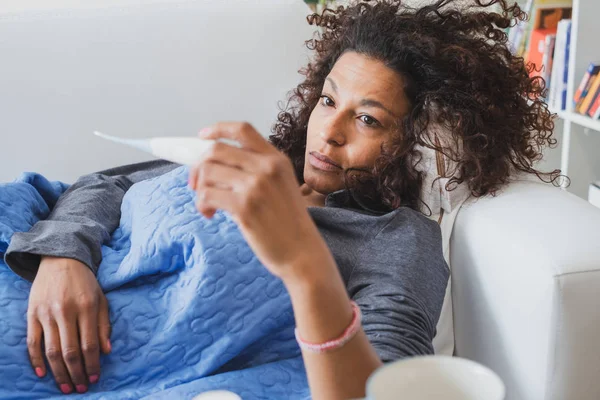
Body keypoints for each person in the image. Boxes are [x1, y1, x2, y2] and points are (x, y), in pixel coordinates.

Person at [4, 0, 558, 398]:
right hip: (30, 283)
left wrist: (302, 262)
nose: (330, 132)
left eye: (367, 118)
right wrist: (62, 259)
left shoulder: (396, 238)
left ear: (415, 143)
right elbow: (105, 185)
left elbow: (387, 380)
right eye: (327, 101)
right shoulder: (262, 159)